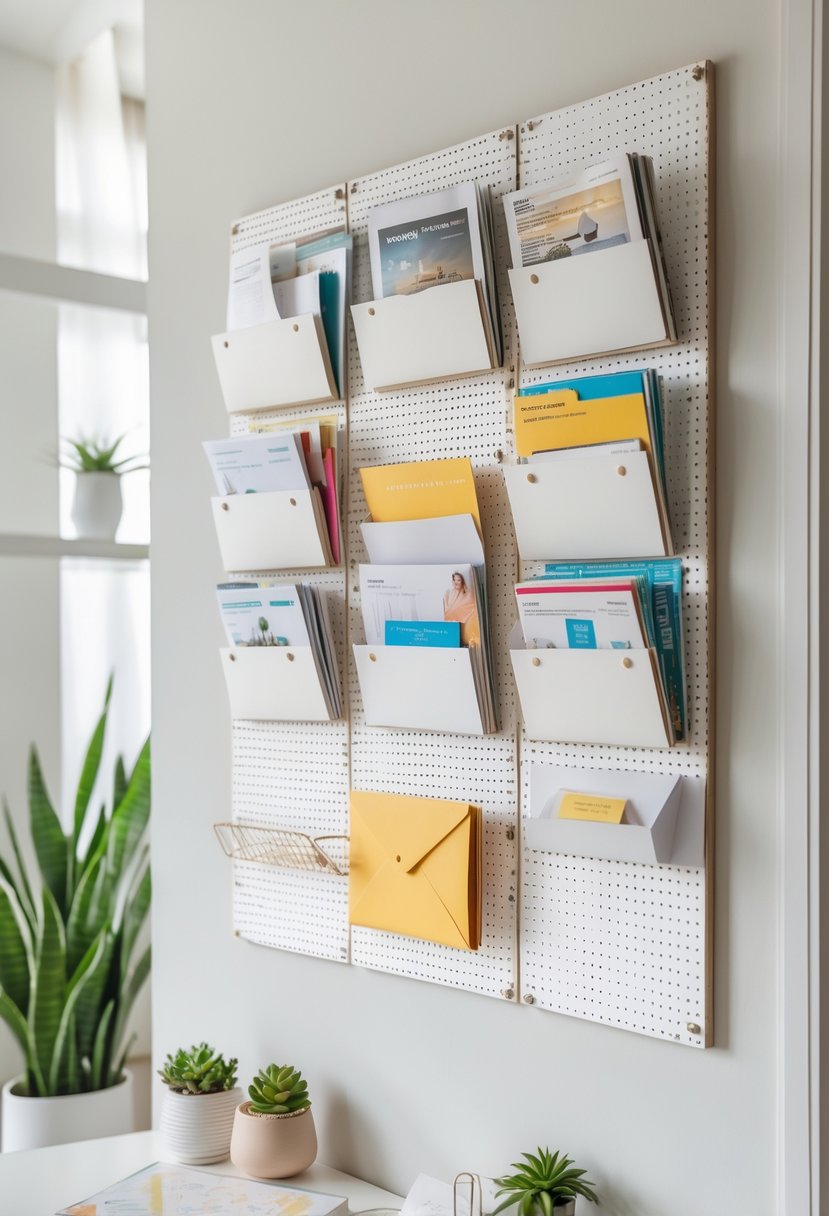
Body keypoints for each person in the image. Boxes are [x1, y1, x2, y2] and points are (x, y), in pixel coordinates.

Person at [443, 571, 480, 646]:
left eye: (458, 580)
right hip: (451, 628)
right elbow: (447, 611)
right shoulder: (448, 593)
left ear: (462, 581)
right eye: (454, 580)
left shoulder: (468, 593)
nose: (456, 582)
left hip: (467, 631)